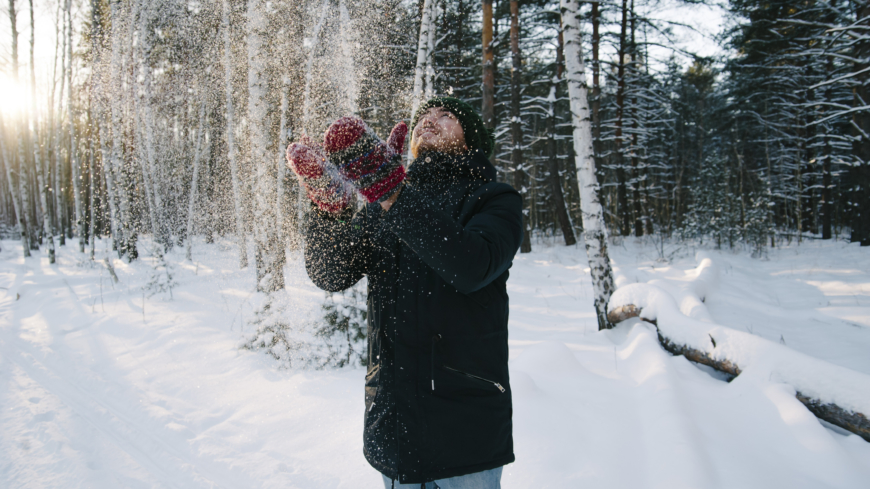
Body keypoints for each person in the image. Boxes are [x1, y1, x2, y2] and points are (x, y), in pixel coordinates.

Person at [287, 97, 523, 488]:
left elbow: (472, 266)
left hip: (464, 433)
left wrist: (391, 191)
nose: (430, 120)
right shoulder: (385, 202)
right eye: (423, 117)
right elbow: (331, 273)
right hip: (394, 429)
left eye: (446, 116)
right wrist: (331, 208)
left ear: (472, 139)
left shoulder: (494, 198)